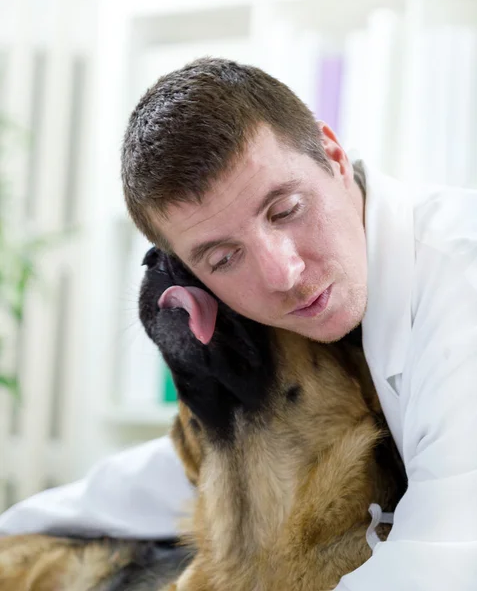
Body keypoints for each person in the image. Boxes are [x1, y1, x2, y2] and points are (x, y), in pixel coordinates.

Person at [1, 57, 476, 590]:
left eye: (287, 209)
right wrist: (16, 528)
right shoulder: (305, 317)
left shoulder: (463, 280)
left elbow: (442, 566)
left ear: (334, 156)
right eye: (224, 258)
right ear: (189, 272)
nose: (284, 273)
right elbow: (190, 471)